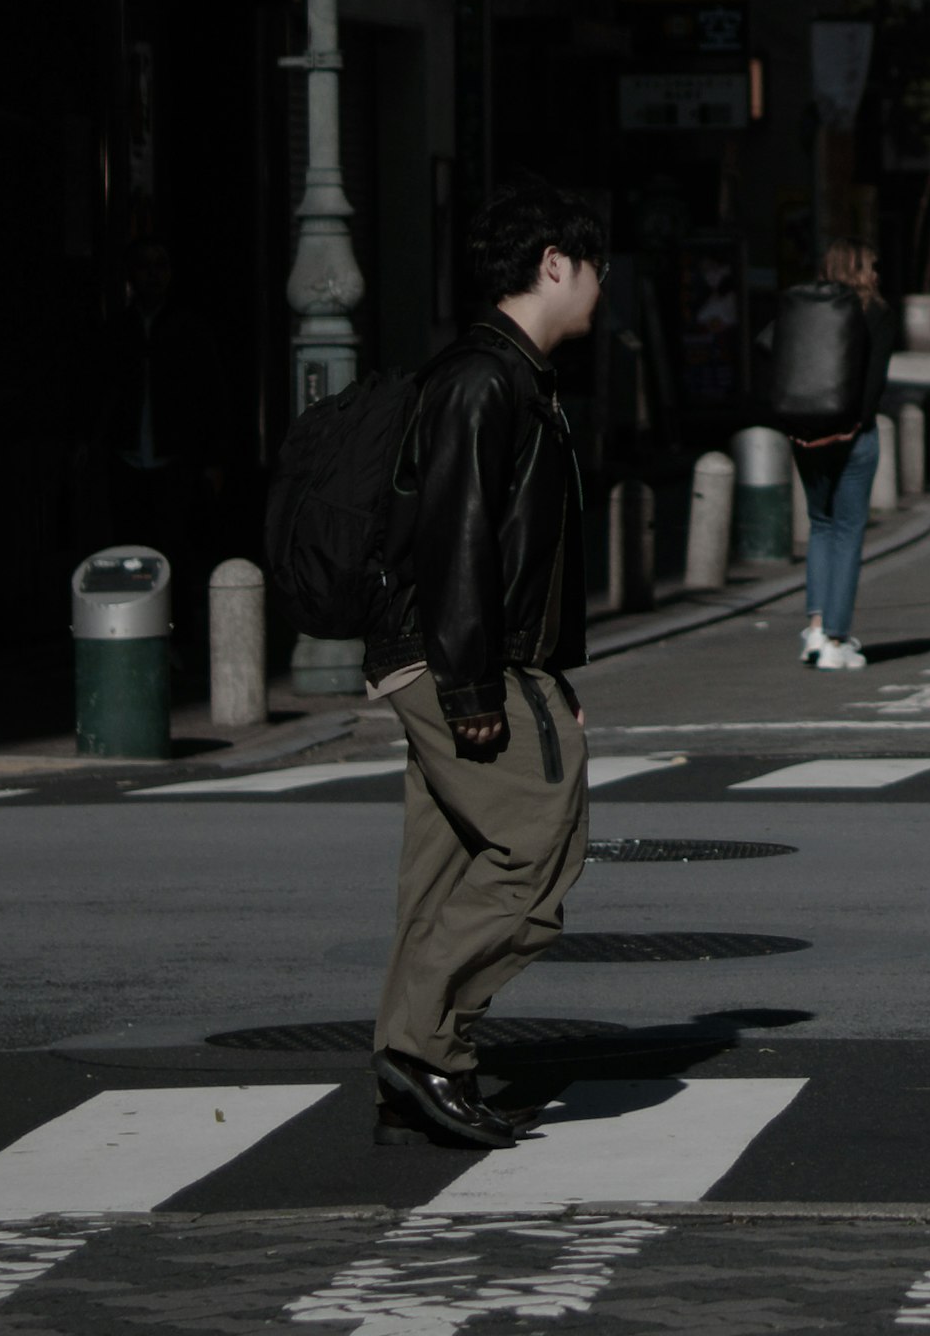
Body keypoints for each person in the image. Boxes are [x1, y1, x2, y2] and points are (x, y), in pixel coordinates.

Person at [360, 177, 604, 1151]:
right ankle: (422, 1046)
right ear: (555, 264)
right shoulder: (484, 381)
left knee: (448, 861)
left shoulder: (510, 377)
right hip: (459, 657)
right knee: (542, 844)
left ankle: (419, 1064)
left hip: (466, 654)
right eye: (596, 270)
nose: (600, 289)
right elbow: (460, 540)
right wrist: (475, 691)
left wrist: (555, 676)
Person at [759, 240, 891, 669]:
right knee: (848, 532)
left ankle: (815, 629)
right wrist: (854, 425)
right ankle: (837, 637)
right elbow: (873, 387)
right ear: (862, 268)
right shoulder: (876, 312)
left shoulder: (802, 306)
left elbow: (768, 349)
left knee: (820, 525)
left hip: (806, 433)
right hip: (852, 435)